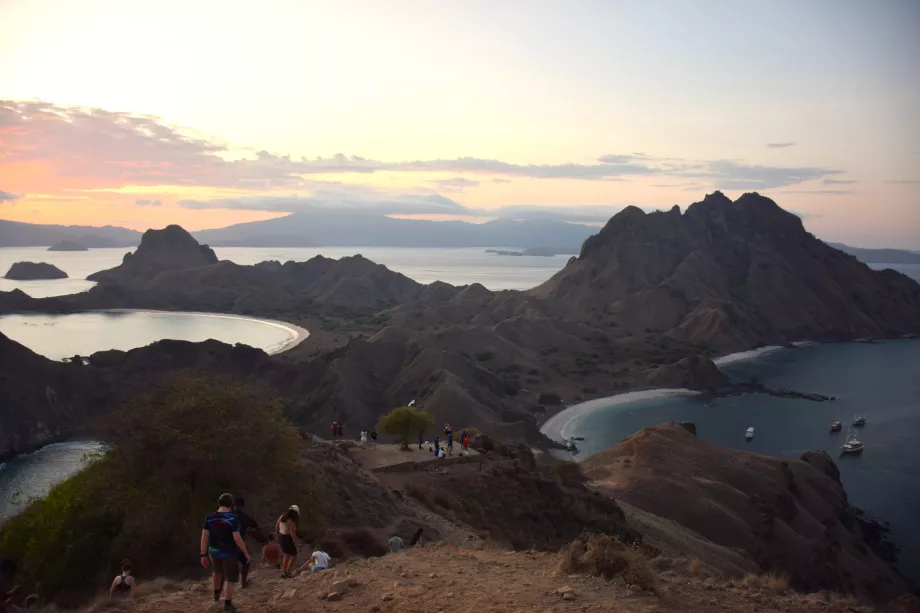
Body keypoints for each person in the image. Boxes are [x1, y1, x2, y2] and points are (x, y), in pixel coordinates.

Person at [201, 493, 251, 612]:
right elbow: (237, 538)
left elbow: (204, 537)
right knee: (230, 578)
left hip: (213, 551)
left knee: (216, 571)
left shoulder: (210, 516)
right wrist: (246, 553)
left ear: (219, 503)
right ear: (231, 504)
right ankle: (227, 604)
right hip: (229, 552)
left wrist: (202, 554)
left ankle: (216, 595)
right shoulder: (233, 518)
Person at [232, 497, 261, 589]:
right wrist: (250, 533)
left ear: (233, 506)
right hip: (238, 543)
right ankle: (243, 583)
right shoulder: (246, 517)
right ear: (243, 506)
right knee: (246, 562)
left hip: (225, 544)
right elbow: (257, 528)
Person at [275, 505, 301, 578]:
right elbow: (292, 534)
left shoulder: (281, 517)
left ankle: (284, 573)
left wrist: (277, 537)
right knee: (294, 555)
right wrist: (298, 542)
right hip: (286, 538)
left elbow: (276, 527)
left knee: (286, 554)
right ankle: (288, 572)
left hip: (281, 537)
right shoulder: (290, 521)